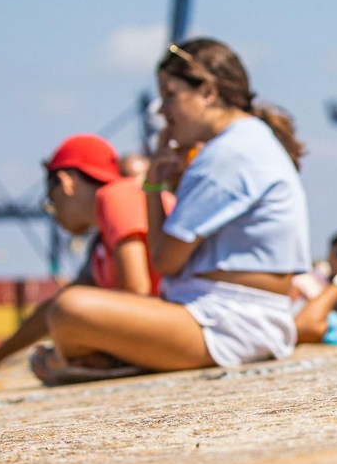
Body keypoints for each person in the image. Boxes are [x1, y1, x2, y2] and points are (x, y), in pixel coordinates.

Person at [36, 39, 311, 379]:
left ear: (208, 93)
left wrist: (152, 187)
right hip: (232, 314)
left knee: (68, 309)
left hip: (230, 321)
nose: (161, 111)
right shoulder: (244, 144)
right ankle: (121, 356)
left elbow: (165, 261)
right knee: (72, 315)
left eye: (169, 95)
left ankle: (120, 358)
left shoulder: (226, 155)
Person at [0, 134, 167, 387]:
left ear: (66, 182)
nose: (55, 214)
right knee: (63, 322)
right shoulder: (101, 244)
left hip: (182, 325)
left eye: (51, 201)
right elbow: (53, 308)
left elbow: (136, 291)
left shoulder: (117, 195)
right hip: (164, 328)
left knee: (67, 317)